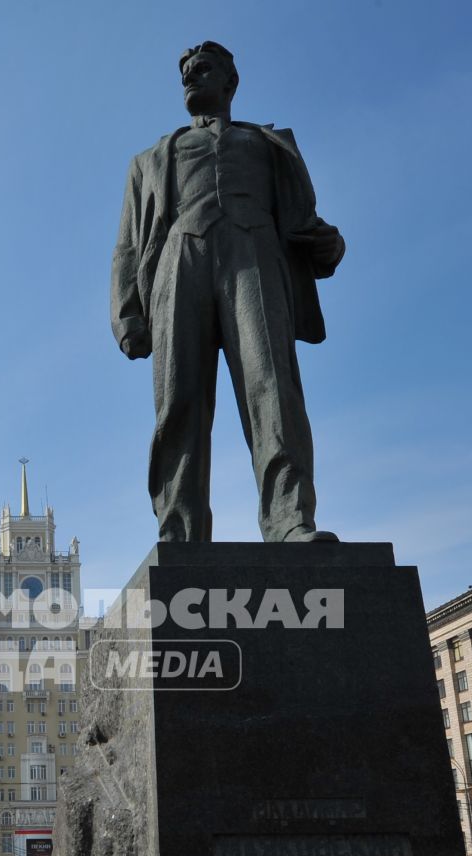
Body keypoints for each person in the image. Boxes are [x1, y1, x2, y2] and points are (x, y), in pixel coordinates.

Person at [112, 41, 346, 543]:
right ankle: (180, 528)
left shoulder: (268, 144)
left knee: (273, 391)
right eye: (186, 75)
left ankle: (289, 520)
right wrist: (127, 313)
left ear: (230, 83)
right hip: (179, 263)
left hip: (255, 257)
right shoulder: (151, 159)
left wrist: (330, 245)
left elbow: (305, 224)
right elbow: (128, 246)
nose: (191, 80)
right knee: (179, 400)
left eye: (203, 70)